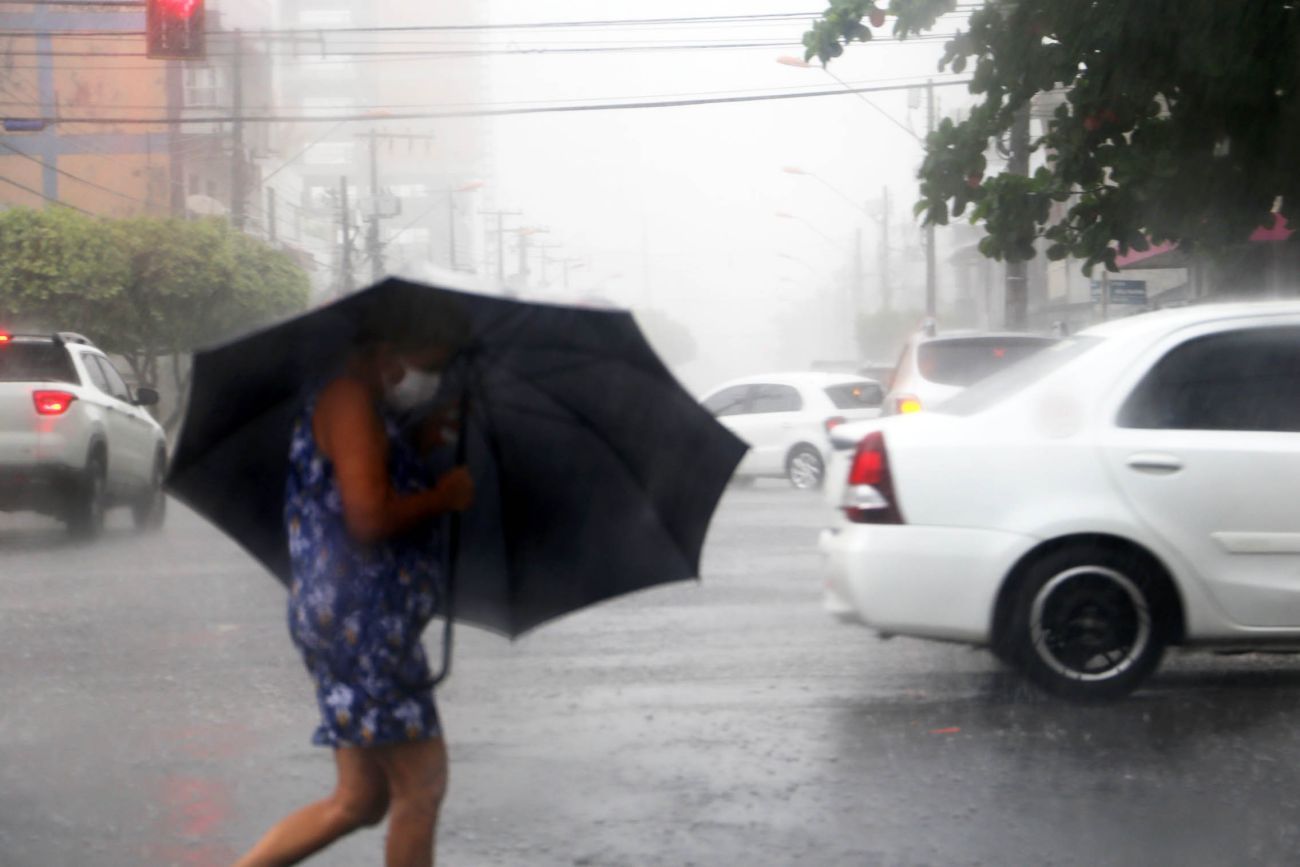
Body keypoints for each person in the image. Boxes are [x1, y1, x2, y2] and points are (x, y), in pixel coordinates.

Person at [234, 306, 474, 867]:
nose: (429, 382)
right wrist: (444, 496)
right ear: (385, 354)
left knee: (360, 799)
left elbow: (365, 478)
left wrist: (422, 440)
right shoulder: (349, 400)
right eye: (426, 367)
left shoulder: (368, 407)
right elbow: (367, 518)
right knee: (422, 785)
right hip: (363, 620)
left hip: (355, 617)